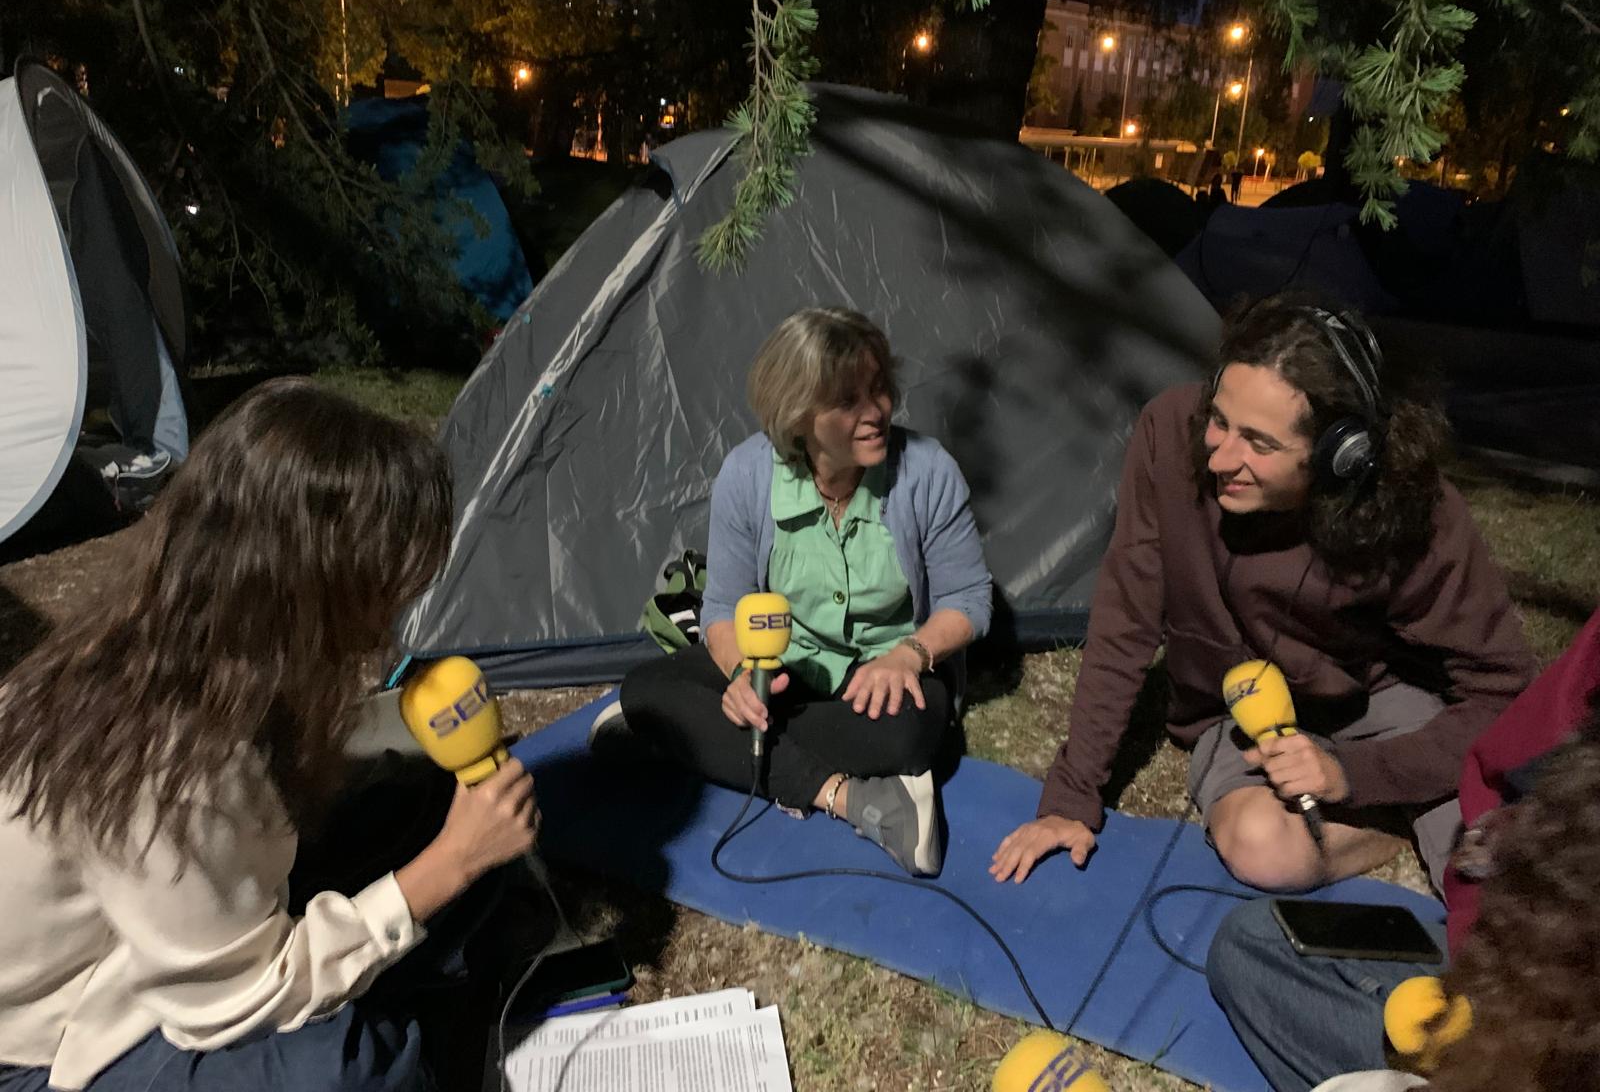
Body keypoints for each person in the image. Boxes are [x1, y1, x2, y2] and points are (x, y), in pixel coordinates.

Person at [0, 379, 540, 1092]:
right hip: (62, 1042)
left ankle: (394, 996)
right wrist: (450, 865)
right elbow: (227, 1001)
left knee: (422, 808)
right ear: (312, 584)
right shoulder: (172, 751)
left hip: (171, 934)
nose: (387, 626)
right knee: (351, 1073)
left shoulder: (187, 643)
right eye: (383, 589)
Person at [991, 297, 1536, 895]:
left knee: (1499, 873)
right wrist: (1071, 799)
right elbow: (1125, 621)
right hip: (1238, 710)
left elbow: (1502, 692)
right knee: (1263, 850)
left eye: (1259, 443)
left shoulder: (1415, 510)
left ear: (1340, 456)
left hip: (1377, 704)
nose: (1220, 456)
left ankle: (1403, 806)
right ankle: (1389, 827)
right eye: (1219, 420)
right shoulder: (1170, 434)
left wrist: (1356, 774)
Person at [607, 307, 992, 876]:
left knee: (913, 734)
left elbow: (969, 600)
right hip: (783, 678)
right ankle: (850, 798)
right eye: (847, 402)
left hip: (881, 693)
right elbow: (722, 609)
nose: (875, 413)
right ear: (797, 417)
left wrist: (908, 655)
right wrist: (740, 677)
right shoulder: (747, 476)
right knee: (644, 688)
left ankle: (690, 736)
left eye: (880, 389)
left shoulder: (927, 472)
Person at [1205, 605, 1600, 1092]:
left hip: (1546, 1024)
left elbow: (1495, 692)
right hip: (1517, 970)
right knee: (1255, 940)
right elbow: (1502, 772)